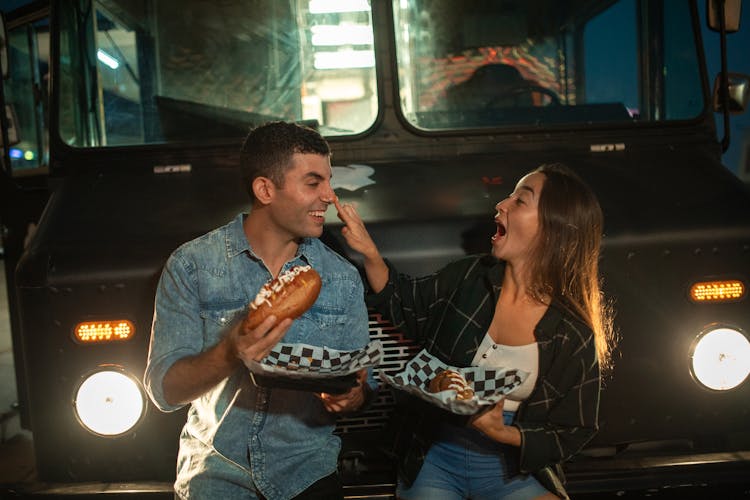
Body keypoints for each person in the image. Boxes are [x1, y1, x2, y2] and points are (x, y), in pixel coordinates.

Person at [334, 163, 615, 499]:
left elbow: (574, 430)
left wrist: (502, 433)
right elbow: (403, 304)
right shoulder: (469, 276)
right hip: (434, 455)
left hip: (511, 469)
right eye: (509, 196)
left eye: (520, 201)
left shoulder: (572, 331)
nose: (501, 204)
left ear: (553, 229)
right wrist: (368, 251)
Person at [144, 121, 375, 500]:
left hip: (308, 472)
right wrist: (229, 351)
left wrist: (353, 396)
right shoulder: (191, 266)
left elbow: (361, 382)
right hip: (214, 474)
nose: (330, 196)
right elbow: (163, 391)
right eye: (313, 183)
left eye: (328, 181)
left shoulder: (341, 276)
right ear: (265, 189)